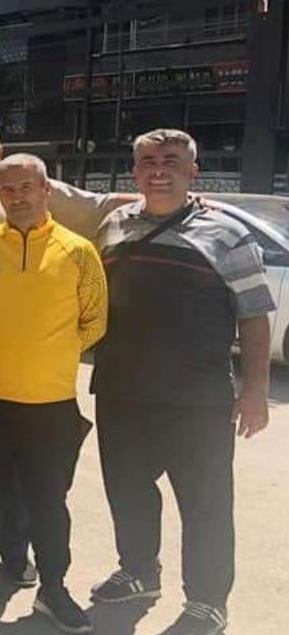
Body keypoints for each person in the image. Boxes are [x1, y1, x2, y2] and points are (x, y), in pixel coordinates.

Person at [0, 117, 132, 579]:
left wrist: (181, 200)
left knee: (23, 463)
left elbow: (104, 207)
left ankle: (16, 551)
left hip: (31, 362)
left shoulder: (29, 187)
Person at [90, 129, 274, 635]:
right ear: (134, 172)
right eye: (148, 161)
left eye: (172, 160)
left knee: (205, 503)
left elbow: (254, 315)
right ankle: (138, 572)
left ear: (193, 171)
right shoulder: (114, 226)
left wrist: (255, 392)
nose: (159, 170)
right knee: (127, 491)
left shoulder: (227, 234)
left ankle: (207, 602)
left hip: (197, 400)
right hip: (121, 390)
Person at [0, 154, 106, 633]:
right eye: (7, 190)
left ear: (45, 190)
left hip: (50, 407)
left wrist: (48, 352)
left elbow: (95, 321)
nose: (17, 197)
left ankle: (53, 589)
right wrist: (0, 351)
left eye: (25, 187)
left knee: (48, 504)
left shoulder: (78, 252)